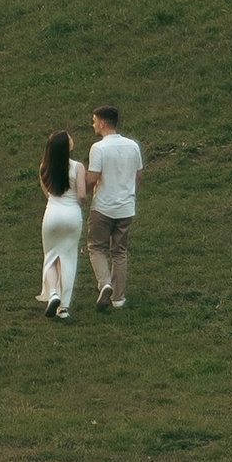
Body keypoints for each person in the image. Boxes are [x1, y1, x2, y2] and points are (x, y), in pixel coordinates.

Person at [78, 103, 143, 310]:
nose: (93, 124)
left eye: (95, 120)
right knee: (120, 252)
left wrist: (83, 194)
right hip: (126, 207)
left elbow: (93, 177)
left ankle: (105, 284)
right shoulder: (133, 146)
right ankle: (118, 298)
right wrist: (131, 194)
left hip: (103, 207)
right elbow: (138, 175)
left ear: (103, 122)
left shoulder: (99, 148)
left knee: (96, 247)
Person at [37, 128, 84, 321]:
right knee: (68, 259)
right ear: (66, 146)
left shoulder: (44, 167)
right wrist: (81, 203)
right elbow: (81, 195)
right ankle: (63, 307)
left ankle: (53, 293)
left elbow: (47, 193)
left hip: (52, 214)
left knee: (50, 258)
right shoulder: (77, 167)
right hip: (72, 215)